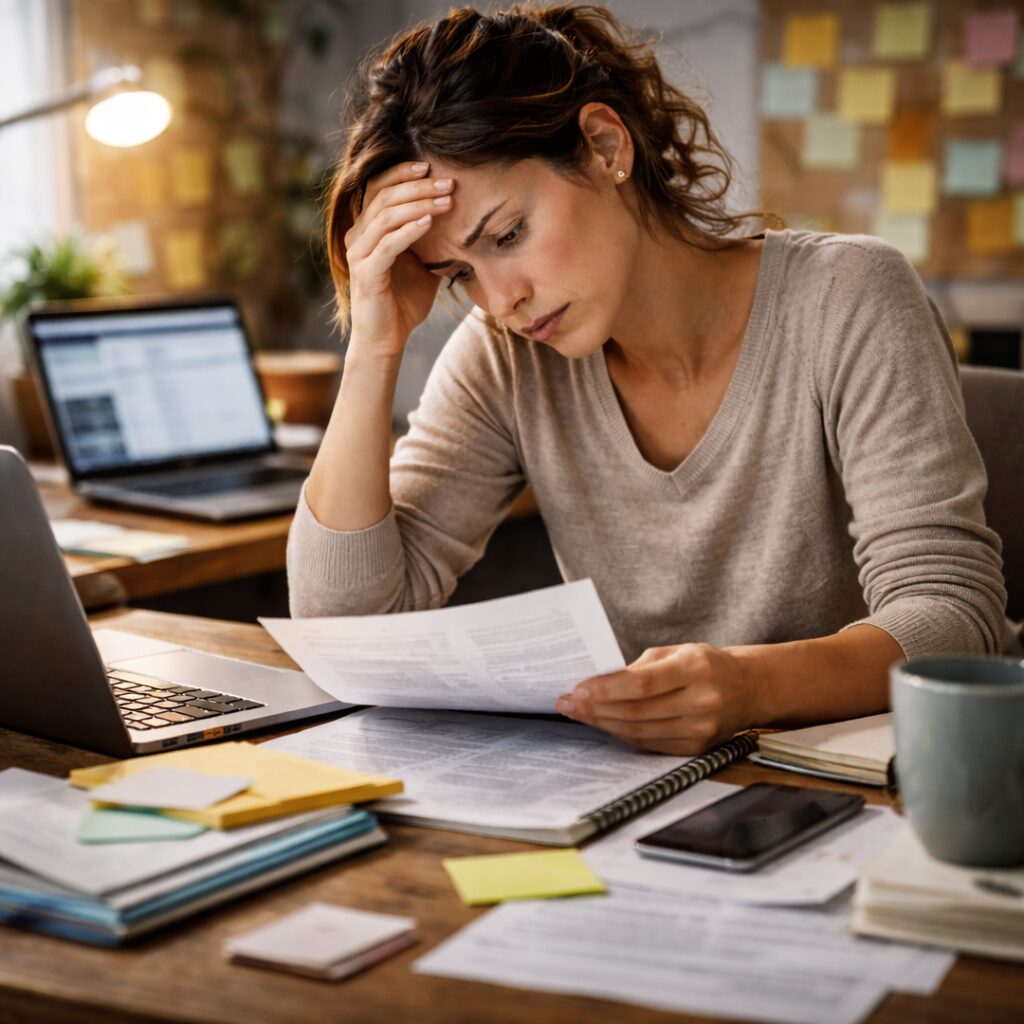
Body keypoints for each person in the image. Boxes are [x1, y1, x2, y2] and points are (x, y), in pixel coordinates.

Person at [289, 4, 1006, 755]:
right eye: (458, 272)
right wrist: (375, 347)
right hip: (652, 788)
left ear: (604, 145)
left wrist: (751, 687)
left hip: (884, 781)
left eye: (507, 236)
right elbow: (346, 630)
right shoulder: (507, 355)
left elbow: (954, 619)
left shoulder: (848, 296)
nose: (502, 300)